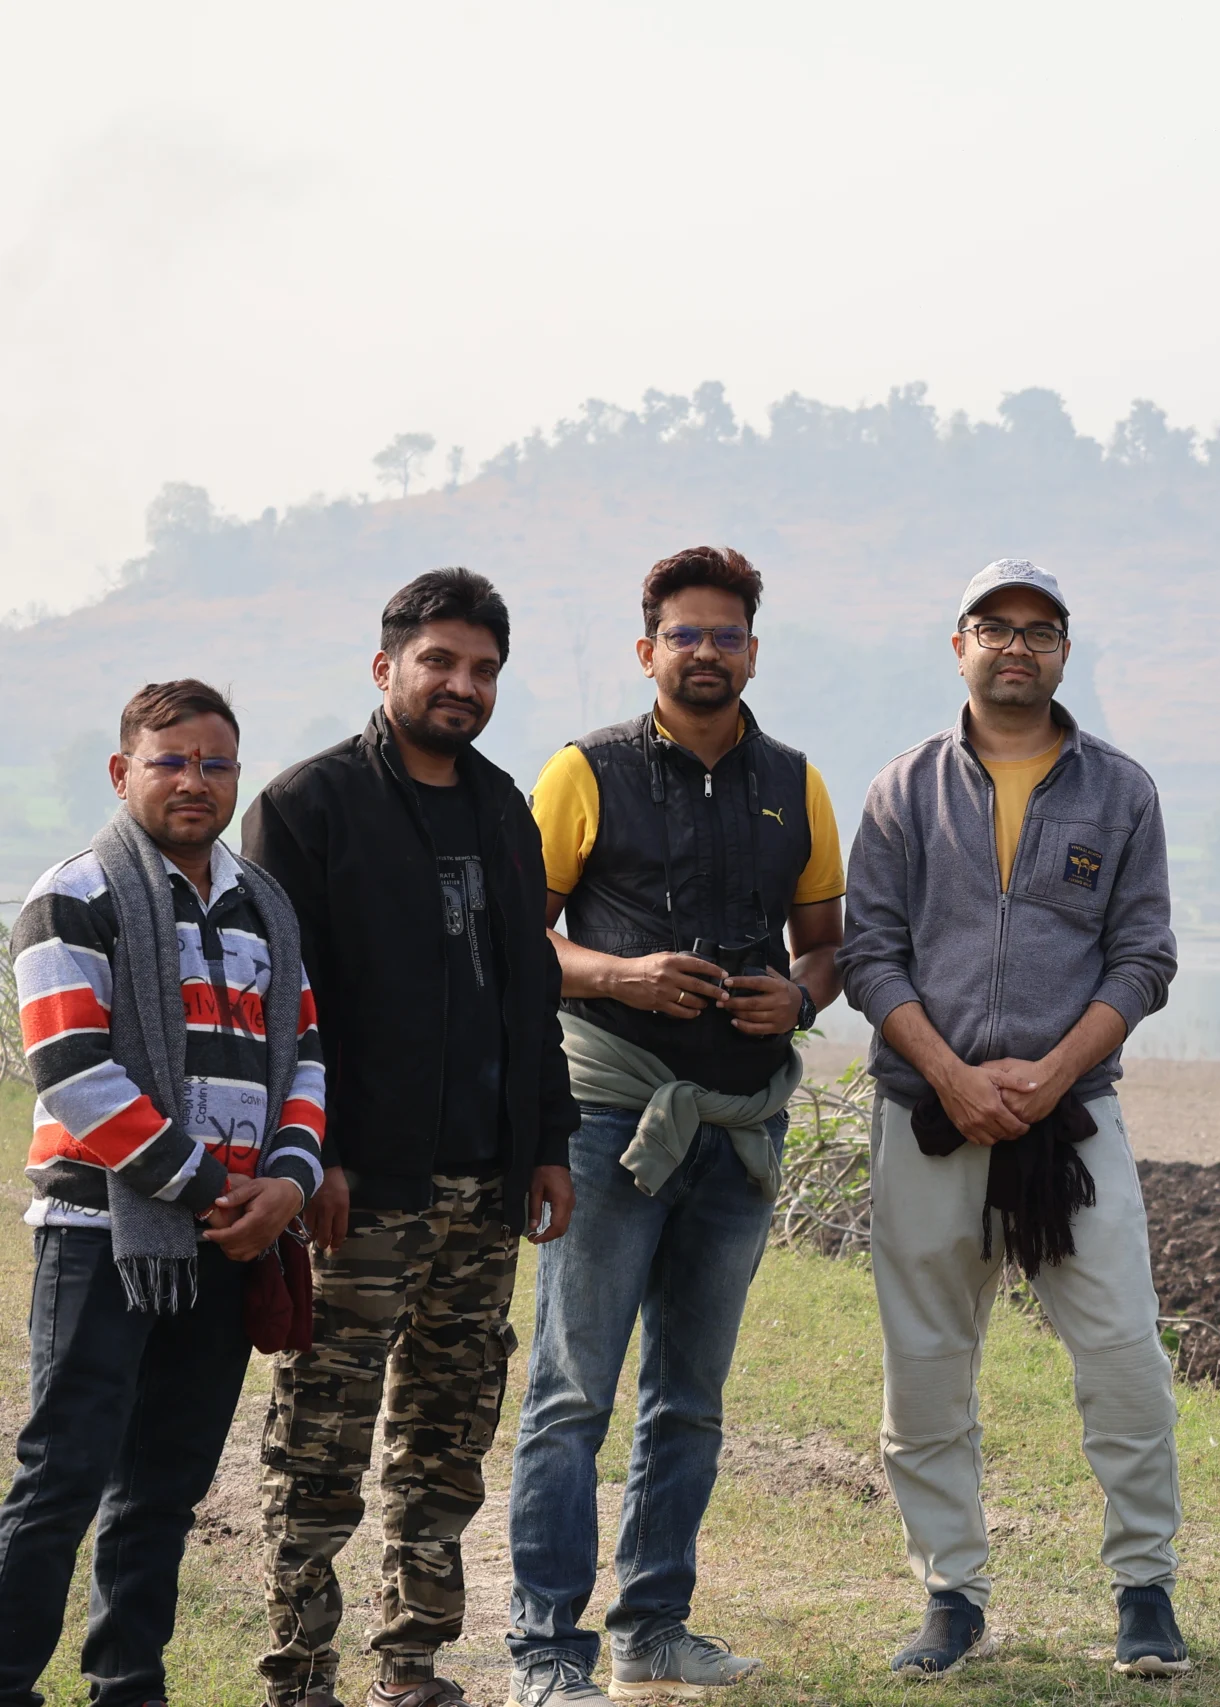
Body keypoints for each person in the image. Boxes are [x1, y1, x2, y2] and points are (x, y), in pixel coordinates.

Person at [507, 546, 845, 1707]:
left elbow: (826, 943)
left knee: (690, 1400)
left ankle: (653, 1628)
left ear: (754, 652)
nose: (706, 653)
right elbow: (521, 938)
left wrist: (798, 997)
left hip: (740, 1125)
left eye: (727, 636)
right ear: (646, 650)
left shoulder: (795, 781)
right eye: (685, 635)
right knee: (571, 1393)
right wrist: (622, 976)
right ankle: (545, 1652)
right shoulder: (583, 770)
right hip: (607, 1116)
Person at [839, 559, 1185, 1680]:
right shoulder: (903, 790)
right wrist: (949, 1074)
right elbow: (869, 955)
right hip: (928, 1116)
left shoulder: (1119, 792)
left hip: (1070, 1121)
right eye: (996, 627)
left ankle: (1144, 1588)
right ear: (960, 646)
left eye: (1040, 631)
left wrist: (1053, 1070)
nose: (1017, 647)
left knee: (1124, 1354)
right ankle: (950, 1594)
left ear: (1065, 652)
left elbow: (1144, 956)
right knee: (927, 1366)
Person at [243, 570, 579, 1707]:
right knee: (322, 1435)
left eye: (483, 669)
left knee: (447, 1434)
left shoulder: (504, 810)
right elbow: (283, 1004)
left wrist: (547, 1140)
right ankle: (299, 1674)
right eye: (439, 661)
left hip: (485, 1184)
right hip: (359, 1185)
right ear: (386, 667)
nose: (462, 685)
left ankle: (413, 1665)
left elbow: (531, 993)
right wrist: (314, 1155)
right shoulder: (307, 807)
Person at [1, 681, 325, 1707]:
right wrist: (215, 1190)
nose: (195, 781)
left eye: (215, 764)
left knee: (164, 1489)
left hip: (230, 1240)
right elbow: (75, 1075)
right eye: (171, 761)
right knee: (62, 1474)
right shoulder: (74, 894)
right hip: (104, 1233)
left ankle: (129, 1686)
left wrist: (287, 1182)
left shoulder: (264, 906)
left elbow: (306, 1056)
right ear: (122, 771)